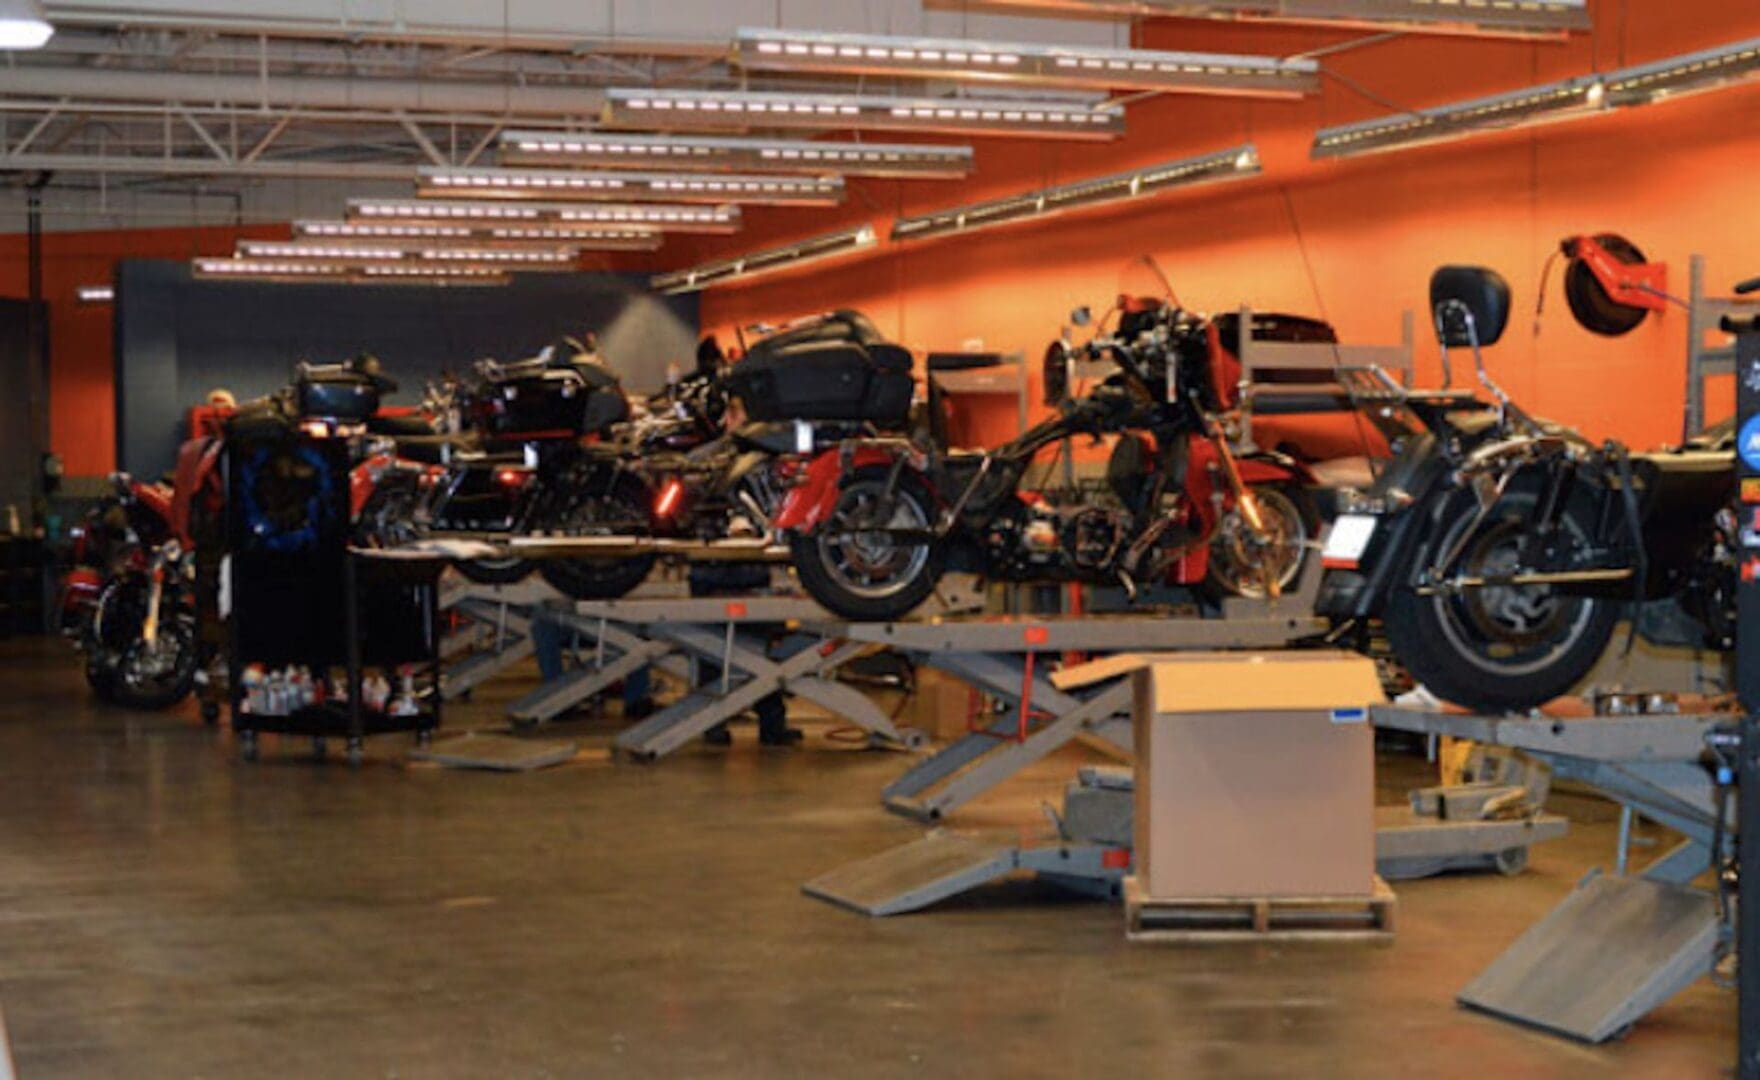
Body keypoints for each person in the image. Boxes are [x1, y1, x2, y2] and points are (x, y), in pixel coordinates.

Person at [692, 561, 800, 747]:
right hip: (742, 584)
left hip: (716, 584)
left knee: (716, 654)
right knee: (760, 662)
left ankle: (715, 725)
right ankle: (771, 726)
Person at [528, 605, 655, 720]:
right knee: (543, 625)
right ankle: (555, 697)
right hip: (580, 620)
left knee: (641, 626)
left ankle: (637, 699)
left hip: (622, 621)